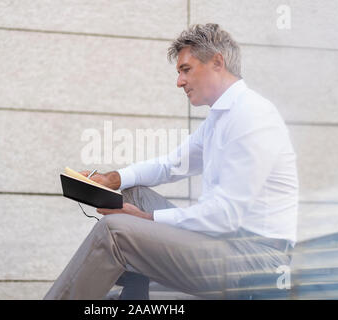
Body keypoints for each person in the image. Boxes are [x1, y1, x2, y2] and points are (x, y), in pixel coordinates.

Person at [44, 23, 298, 300]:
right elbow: (171, 165)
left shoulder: (252, 116)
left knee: (116, 231)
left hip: (255, 262)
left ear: (217, 62)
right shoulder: (220, 118)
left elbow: (225, 215)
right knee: (135, 194)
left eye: (185, 70)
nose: (179, 82)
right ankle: (134, 296)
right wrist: (110, 179)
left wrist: (147, 220)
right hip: (225, 245)